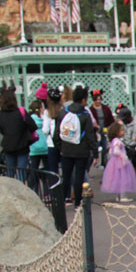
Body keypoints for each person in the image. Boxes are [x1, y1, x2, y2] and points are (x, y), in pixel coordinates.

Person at [54, 85, 97, 214]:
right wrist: (94, 152)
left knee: (65, 176)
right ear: (83, 100)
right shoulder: (85, 114)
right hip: (81, 150)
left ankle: (62, 200)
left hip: (66, 149)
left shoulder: (64, 112)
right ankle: (78, 203)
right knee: (79, 177)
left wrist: (59, 147)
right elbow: (90, 135)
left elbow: (56, 133)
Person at [0, 89, 38, 181]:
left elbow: (1, 128)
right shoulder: (21, 112)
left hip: (8, 146)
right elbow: (33, 125)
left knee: (10, 173)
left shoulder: (1, 114)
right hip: (22, 145)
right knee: (21, 172)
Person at [100, 122, 136, 203]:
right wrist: (123, 155)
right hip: (120, 162)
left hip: (115, 162)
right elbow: (116, 151)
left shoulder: (113, 141)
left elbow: (111, 152)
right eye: (122, 130)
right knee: (123, 179)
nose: (123, 132)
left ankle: (118, 196)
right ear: (116, 132)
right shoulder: (118, 141)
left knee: (117, 179)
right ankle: (123, 196)